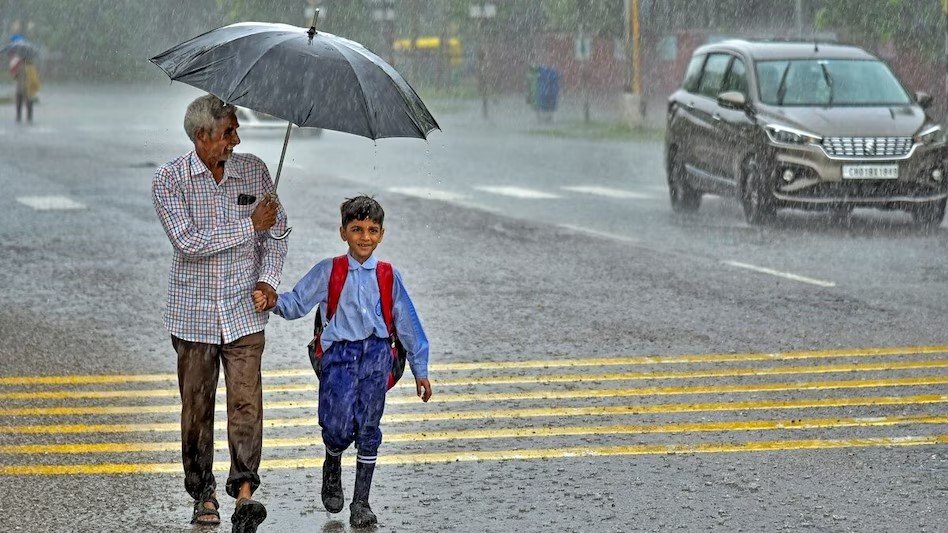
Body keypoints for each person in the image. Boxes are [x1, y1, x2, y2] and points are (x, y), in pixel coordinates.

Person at [152, 94, 287, 532]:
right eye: (228, 131)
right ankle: (203, 492)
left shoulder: (254, 170)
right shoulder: (169, 181)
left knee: (247, 404)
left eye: (235, 130)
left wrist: (268, 280)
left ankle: (245, 493)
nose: (237, 138)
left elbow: (278, 236)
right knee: (197, 408)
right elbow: (188, 242)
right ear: (201, 137)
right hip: (193, 317)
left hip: (245, 313)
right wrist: (250, 224)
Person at [254, 195, 431, 528]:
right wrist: (272, 300)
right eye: (357, 229)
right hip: (338, 358)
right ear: (343, 232)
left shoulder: (388, 276)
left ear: (381, 234)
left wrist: (421, 371)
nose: (365, 237)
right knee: (335, 426)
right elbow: (297, 302)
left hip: (377, 356)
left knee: (369, 427)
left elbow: (408, 323)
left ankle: (361, 502)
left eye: (372, 230)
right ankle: (332, 459)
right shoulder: (329, 271)